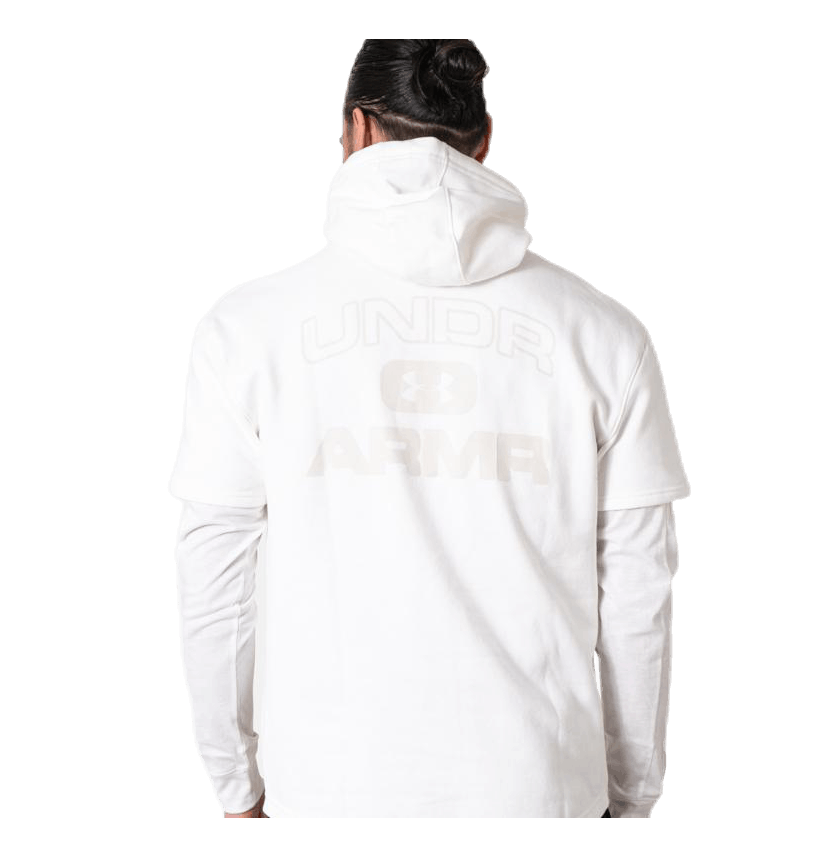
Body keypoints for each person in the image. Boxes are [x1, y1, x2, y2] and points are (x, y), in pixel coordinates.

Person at [168, 39, 690, 819]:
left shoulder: (244, 328)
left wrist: (234, 782)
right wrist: (632, 792)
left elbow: (216, 581)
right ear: (484, 139)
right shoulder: (604, 332)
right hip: (539, 786)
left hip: (325, 785)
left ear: (356, 128)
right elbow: (638, 594)